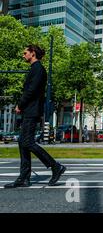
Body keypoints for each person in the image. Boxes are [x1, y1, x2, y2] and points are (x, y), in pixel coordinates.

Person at [5, 45, 66, 188]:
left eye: (25, 52)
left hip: (32, 110)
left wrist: (20, 104)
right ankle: (24, 178)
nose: (23, 55)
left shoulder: (38, 69)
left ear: (33, 54)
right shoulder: (35, 68)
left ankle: (55, 166)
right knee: (22, 142)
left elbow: (31, 90)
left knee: (27, 142)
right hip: (29, 110)